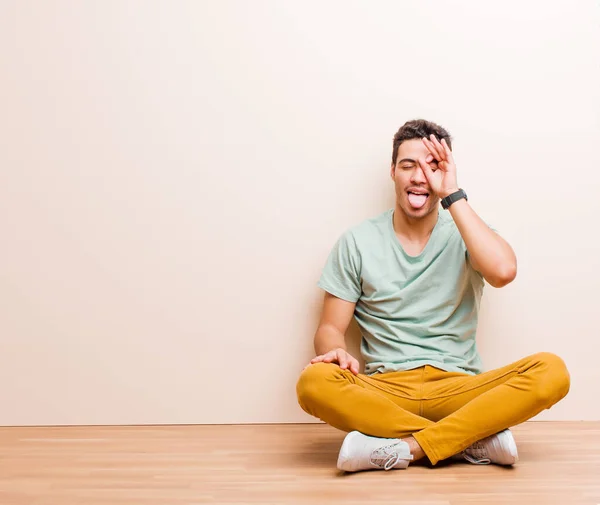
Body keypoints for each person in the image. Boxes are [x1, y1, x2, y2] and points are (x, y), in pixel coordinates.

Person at [296, 119, 570, 472]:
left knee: (552, 371)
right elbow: (330, 327)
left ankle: (404, 448)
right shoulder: (357, 241)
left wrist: (452, 196)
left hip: (459, 389)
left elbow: (503, 272)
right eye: (409, 165)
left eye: (433, 165)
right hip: (386, 390)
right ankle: (467, 440)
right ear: (393, 171)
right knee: (313, 383)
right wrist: (333, 350)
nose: (419, 176)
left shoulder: (467, 231)